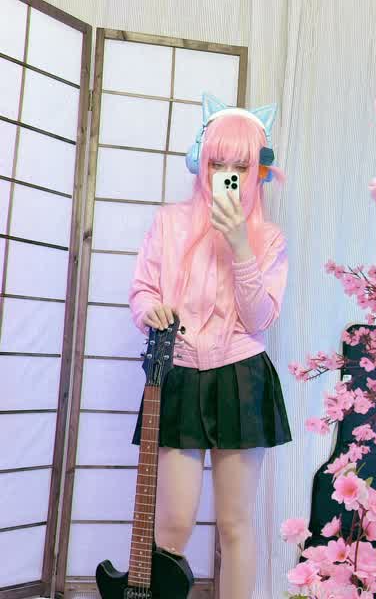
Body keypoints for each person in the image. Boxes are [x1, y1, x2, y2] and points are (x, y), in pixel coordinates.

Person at [128, 92, 292, 599]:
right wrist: (149, 311)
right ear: (201, 162)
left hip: (240, 376)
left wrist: (240, 243)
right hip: (176, 370)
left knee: (235, 524)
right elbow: (143, 290)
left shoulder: (268, 237)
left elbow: (260, 318)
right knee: (173, 523)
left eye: (240, 166)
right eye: (218, 163)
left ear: (258, 171)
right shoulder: (169, 222)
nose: (228, 175)